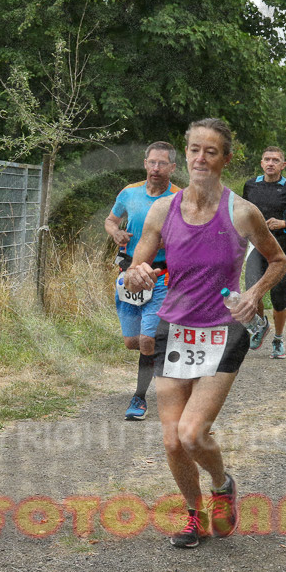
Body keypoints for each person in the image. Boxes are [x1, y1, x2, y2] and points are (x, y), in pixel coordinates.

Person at [123, 118, 286, 548]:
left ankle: (221, 485)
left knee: (193, 433)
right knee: (172, 440)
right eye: (194, 149)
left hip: (223, 329)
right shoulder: (164, 210)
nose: (200, 158)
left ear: (225, 159)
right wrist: (137, 274)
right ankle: (194, 515)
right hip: (174, 328)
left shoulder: (242, 212)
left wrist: (254, 293)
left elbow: (279, 261)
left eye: (210, 152)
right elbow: (140, 262)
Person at [105, 142, 182, 420]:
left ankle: (139, 398)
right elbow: (110, 220)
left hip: (161, 275)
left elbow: (193, 236)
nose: (156, 169)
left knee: (148, 340)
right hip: (128, 274)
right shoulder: (129, 193)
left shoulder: (180, 198)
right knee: (133, 342)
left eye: (162, 164)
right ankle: (169, 345)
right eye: (152, 162)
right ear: (145, 163)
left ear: (172, 167)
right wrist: (115, 232)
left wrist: (171, 240)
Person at [242, 147, 286, 358]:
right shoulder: (251, 185)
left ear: (283, 165)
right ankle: (262, 326)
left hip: (281, 251)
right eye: (267, 159)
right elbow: (243, 214)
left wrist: (284, 223)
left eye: (275, 160)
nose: (270, 163)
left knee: (278, 296)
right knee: (253, 292)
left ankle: (278, 338)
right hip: (256, 248)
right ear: (261, 163)